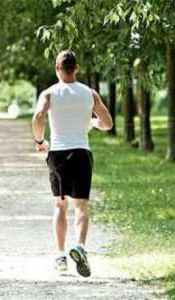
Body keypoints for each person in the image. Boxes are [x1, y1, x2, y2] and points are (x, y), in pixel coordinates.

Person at [32, 50, 113, 277]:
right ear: (76, 68)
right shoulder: (90, 94)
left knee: (60, 205)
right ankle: (80, 246)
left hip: (57, 153)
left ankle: (60, 256)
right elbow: (107, 123)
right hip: (81, 152)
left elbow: (38, 117)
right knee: (81, 207)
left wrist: (39, 141)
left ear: (57, 69)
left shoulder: (49, 94)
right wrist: (92, 122)